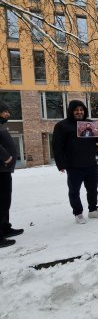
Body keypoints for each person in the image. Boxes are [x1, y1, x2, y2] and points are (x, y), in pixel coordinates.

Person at [52, 100, 98, 224]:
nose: (79, 112)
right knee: (74, 191)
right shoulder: (62, 126)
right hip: (73, 165)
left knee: (93, 189)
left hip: (91, 163)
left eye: (81, 110)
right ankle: (78, 213)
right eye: (76, 110)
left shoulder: (90, 124)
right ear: (71, 111)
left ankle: (93, 210)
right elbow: (57, 146)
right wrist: (60, 164)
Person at [0, 101, 23, 248]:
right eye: (5, 111)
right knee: (1, 202)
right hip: (1, 169)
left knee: (5, 201)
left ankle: (5, 228)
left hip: (5, 170)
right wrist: (6, 157)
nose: (8, 114)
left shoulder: (1, 125)